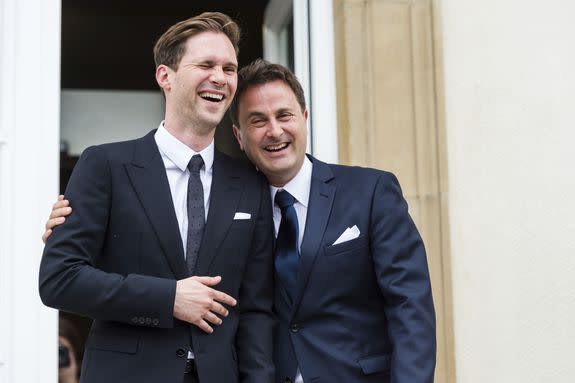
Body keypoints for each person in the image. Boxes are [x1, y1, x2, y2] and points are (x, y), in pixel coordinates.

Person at [45, 59, 436, 382]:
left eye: (284, 115)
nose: (275, 131)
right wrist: (73, 235)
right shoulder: (232, 199)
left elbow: (410, 306)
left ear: (305, 117)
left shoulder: (370, 191)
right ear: (239, 134)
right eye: (257, 121)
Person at [39, 13, 275, 383]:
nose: (221, 77)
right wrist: (167, 298)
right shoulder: (105, 165)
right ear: (166, 76)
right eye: (206, 64)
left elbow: (257, 308)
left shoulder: (250, 183)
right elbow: (60, 279)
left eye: (229, 68)